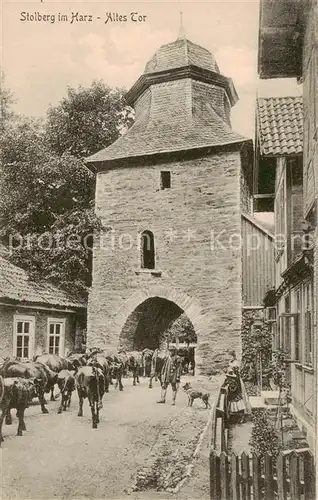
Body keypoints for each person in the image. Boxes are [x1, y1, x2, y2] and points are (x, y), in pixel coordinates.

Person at [224, 350, 252, 423]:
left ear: (233, 356)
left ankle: (241, 415)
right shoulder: (230, 363)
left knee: (237, 396)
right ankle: (234, 415)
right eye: (228, 356)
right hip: (231, 381)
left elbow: (236, 374)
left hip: (236, 381)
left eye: (230, 356)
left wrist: (231, 374)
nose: (229, 358)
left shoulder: (235, 363)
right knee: (231, 397)